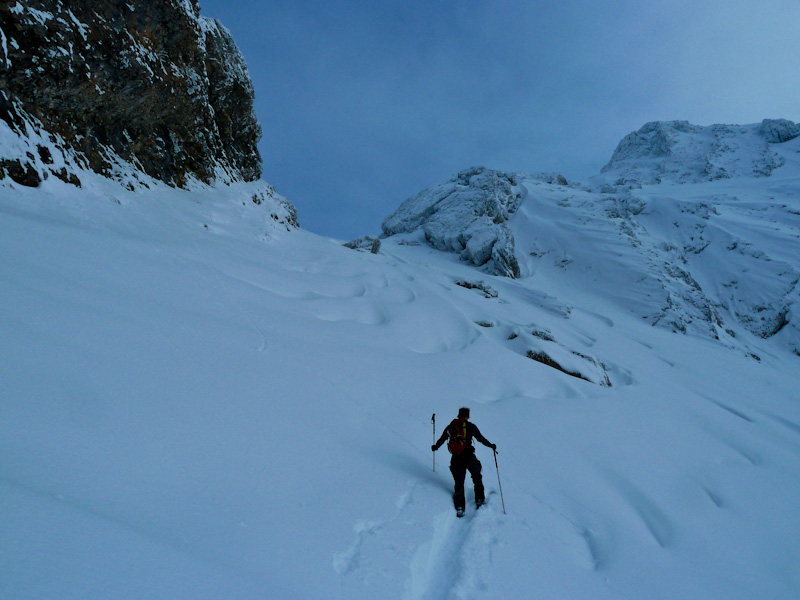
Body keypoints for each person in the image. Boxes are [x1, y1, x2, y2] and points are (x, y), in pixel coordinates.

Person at [432, 407, 496, 516]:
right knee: (476, 476)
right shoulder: (471, 427)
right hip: (469, 457)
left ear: (458, 415)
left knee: (459, 483)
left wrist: (435, 447)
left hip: (456, 458)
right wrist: (491, 445)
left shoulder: (451, 427)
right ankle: (479, 499)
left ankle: (460, 507)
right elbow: (480, 438)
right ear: (467, 416)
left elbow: (442, 439)